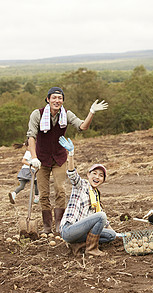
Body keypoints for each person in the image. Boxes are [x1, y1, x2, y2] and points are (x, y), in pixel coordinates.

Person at [27, 87, 108, 234]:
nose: (57, 101)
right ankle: (47, 226)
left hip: (59, 158)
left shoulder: (66, 114)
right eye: (54, 98)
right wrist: (33, 158)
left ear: (63, 101)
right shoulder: (37, 114)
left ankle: (59, 223)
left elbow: (82, 126)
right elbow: (31, 136)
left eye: (60, 98)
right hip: (41, 159)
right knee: (43, 193)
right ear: (48, 99)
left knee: (60, 189)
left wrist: (92, 112)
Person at [59, 136, 116, 256]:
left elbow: (104, 223)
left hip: (81, 232)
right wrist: (71, 154)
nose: (97, 177)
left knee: (111, 235)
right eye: (94, 173)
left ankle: (78, 245)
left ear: (103, 180)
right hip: (70, 229)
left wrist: (117, 234)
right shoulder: (81, 185)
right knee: (101, 216)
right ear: (88, 175)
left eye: (101, 175)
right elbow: (72, 174)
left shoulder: (95, 196)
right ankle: (91, 249)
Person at [8, 140, 39, 204]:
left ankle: (13, 194)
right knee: (37, 183)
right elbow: (23, 161)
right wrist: (31, 165)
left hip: (24, 171)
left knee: (22, 186)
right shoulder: (29, 152)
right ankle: (36, 196)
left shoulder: (33, 152)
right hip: (29, 170)